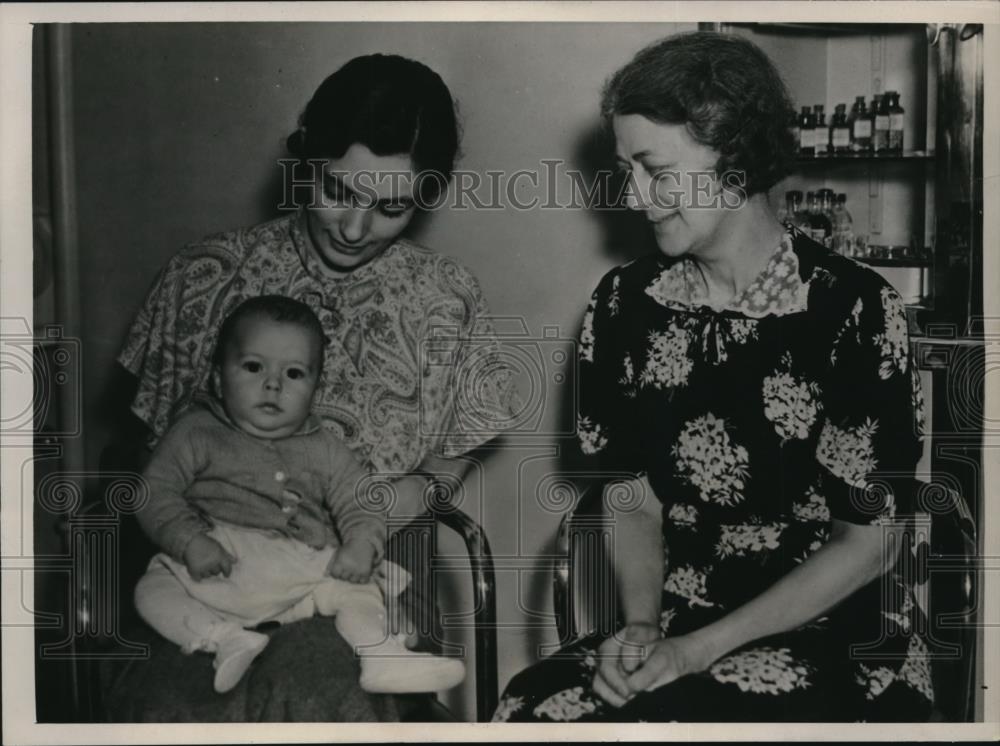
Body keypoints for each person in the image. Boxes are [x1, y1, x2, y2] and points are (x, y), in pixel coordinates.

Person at [494, 31, 932, 723]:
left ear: (734, 159)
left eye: (656, 170)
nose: (636, 197)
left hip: (834, 632)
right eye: (625, 169)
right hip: (677, 620)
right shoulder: (622, 305)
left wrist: (698, 652)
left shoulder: (854, 310)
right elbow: (630, 498)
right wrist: (642, 627)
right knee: (531, 706)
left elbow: (871, 543)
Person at [111, 53, 517, 721]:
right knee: (166, 706)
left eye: (391, 207)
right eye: (338, 192)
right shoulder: (204, 273)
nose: (356, 230)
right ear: (303, 162)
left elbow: (449, 464)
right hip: (205, 569)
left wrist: (359, 523)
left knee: (322, 692)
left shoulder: (446, 298)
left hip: (352, 575)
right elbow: (151, 460)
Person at [134, 295, 465, 695]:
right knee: (152, 591)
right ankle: (223, 639)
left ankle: (381, 657)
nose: (273, 384)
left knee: (358, 590)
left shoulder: (323, 446)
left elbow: (359, 501)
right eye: (253, 367)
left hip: (297, 568)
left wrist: (361, 544)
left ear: (315, 389)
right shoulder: (196, 433)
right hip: (218, 562)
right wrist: (188, 540)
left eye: (293, 373)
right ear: (219, 378)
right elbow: (153, 491)